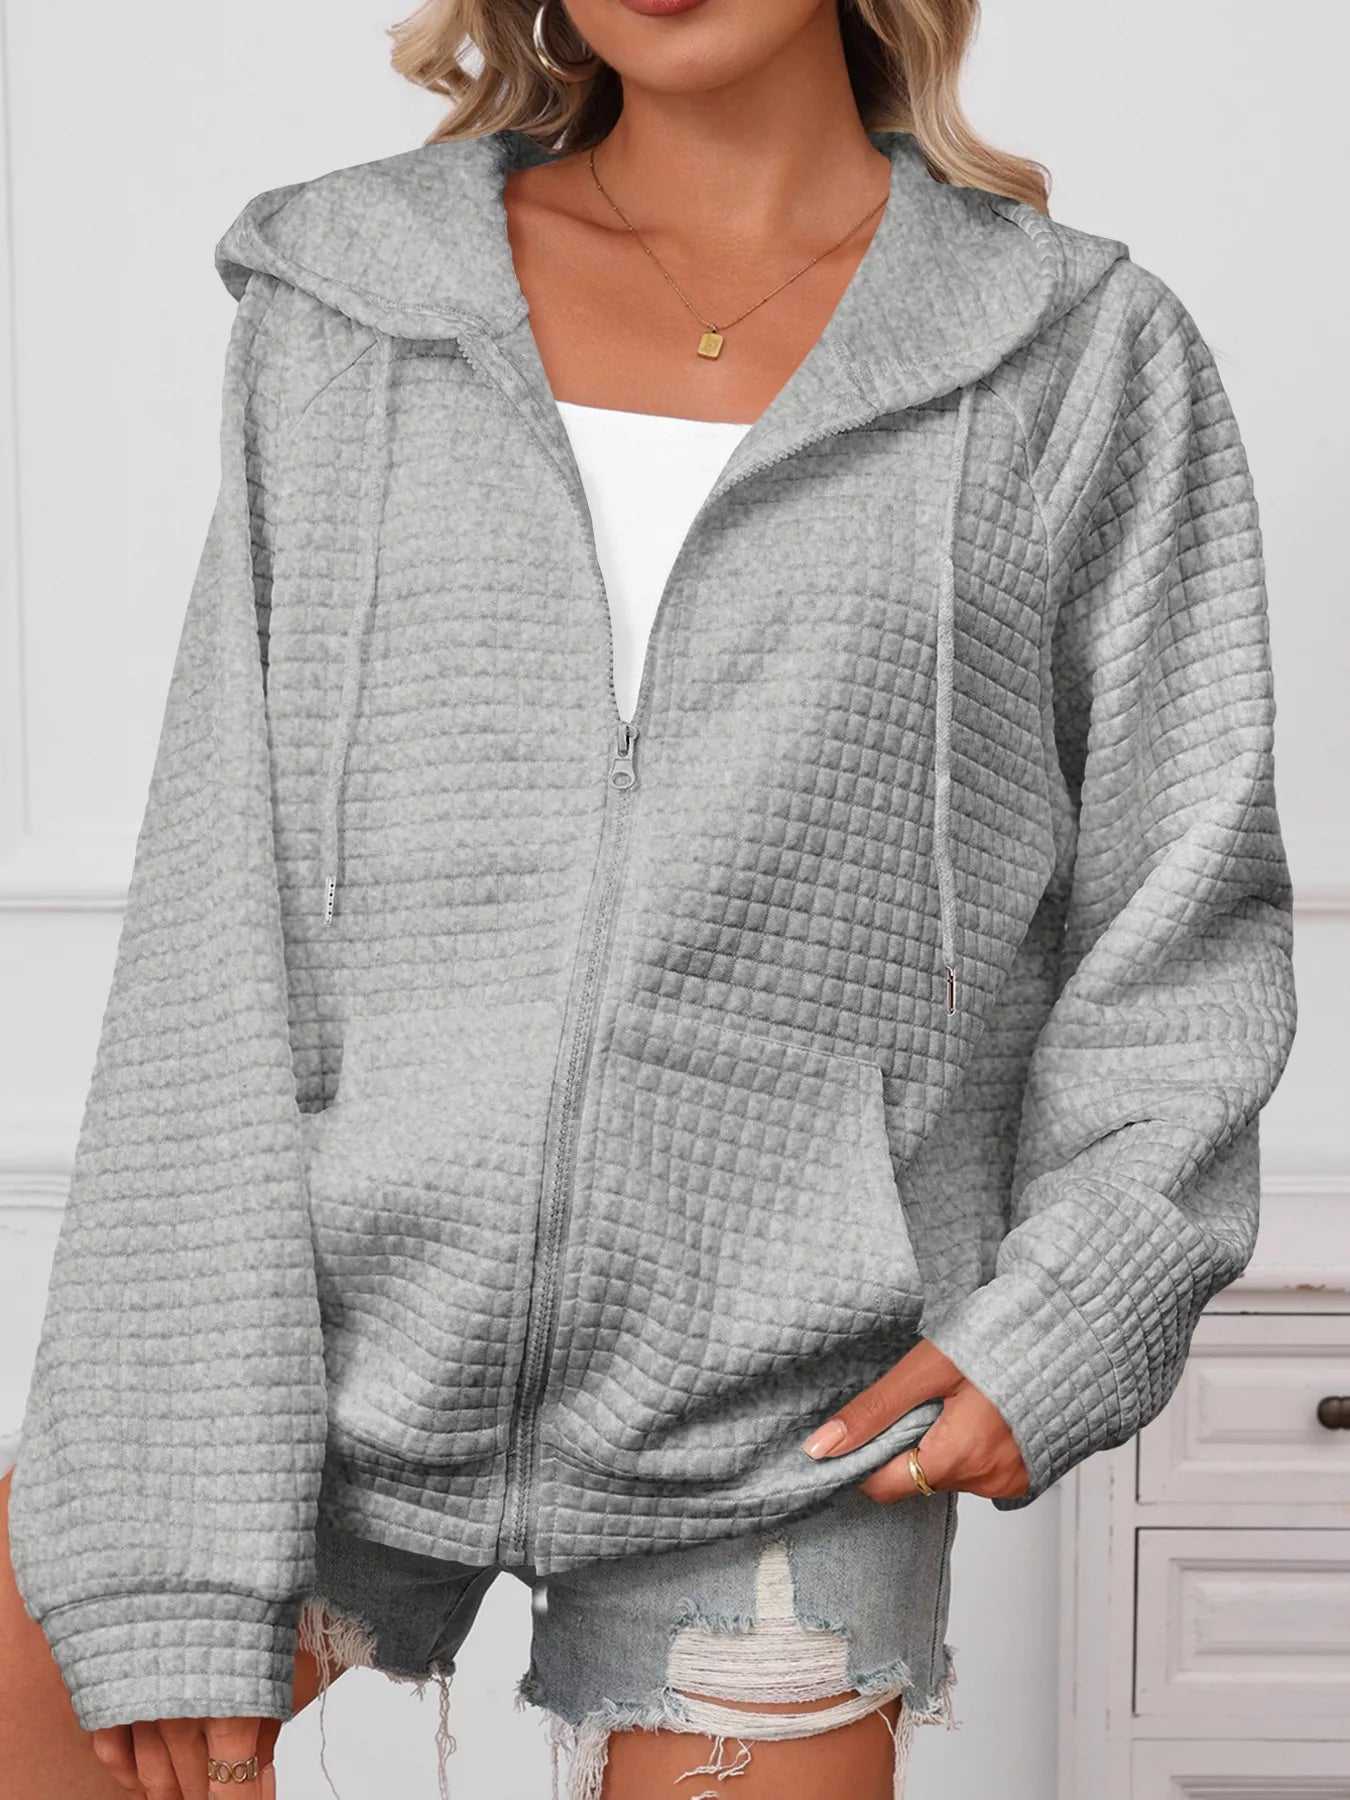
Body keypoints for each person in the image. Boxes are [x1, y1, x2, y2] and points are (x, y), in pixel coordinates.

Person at [3, 0, 1298, 1796]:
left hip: (795, 1429)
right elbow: (215, 895)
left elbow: (1181, 899)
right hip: (311, 1358)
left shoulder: (1072, 354)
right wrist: (162, 1457)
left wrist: (1078, 1303)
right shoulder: (349, 303)